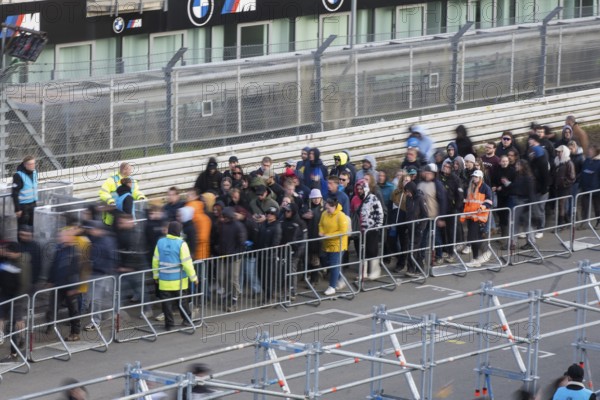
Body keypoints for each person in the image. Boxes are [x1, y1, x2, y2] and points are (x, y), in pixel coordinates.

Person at [152, 221, 199, 331]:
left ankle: (169, 325)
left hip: (164, 280)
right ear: (179, 231)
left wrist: (156, 277)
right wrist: (194, 278)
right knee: (182, 302)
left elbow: (155, 261)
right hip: (179, 281)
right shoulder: (181, 244)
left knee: (166, 304)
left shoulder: (160, 242)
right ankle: (187, 320)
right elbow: (187, 264)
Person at [46, 228, 82, 342]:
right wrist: (50, 280)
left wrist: (73, 287)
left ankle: (75, 332)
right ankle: (50, 326)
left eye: (63, 236)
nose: (60, 237)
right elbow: (54, 266)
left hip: (69, 286)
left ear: (70, 237)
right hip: (58, 284)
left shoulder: (74, 252)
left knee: (73, 310)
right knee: (53, 306)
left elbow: (75, 270)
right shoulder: (60, 249)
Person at [460, 169, 493, 268]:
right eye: (473, 177)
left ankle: (477, 257)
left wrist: (482, 207)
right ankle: (479, 257)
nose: (474, 178)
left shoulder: (485, 188)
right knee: (474, 238)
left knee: (473, 238)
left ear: (480, 178)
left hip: (479, 217)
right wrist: (464, 215)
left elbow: (489, 201)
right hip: (471, 216)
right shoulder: (470, 187)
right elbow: (467, 202)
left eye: (476, 177)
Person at [319, 197, 349, 296]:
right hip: (327, 243)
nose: (327, 210)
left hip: (338, 244)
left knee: (334, 264)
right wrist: (321, 231)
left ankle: (332, 286)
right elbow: (321, 224)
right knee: (329, 263)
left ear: (334, 207)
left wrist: (329, 235)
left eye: (329, 209)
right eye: (326, 208)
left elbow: (343, 231)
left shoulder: (341, 216)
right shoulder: (324, 214)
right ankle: (340, 279)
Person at [12, 156, 38, 227]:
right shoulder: (18, 175)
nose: (32, 166)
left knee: (32, 227)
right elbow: (15, 193)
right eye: (30, 164)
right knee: (23, 228)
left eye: (33, 164)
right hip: (23, 206)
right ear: (25, 165)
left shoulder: (35, 172)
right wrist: (17, 209)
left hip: (33, 204)